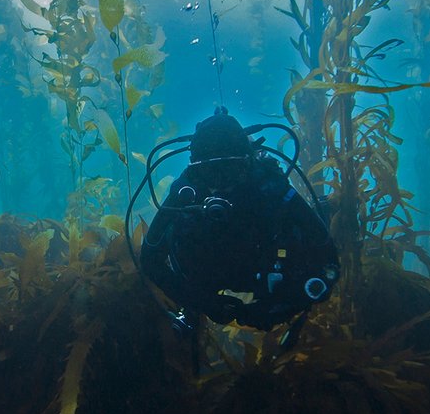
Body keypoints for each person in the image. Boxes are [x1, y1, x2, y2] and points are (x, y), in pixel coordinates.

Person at [132, 107, 339, 335]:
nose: (221, 182)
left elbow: (328, 265)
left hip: (263, 278)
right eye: (211, 172)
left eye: (230, 169)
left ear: (247, 163)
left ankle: (330, 209)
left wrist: (278, 308)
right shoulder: (187, 191)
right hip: (208, 278)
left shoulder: (269, 187)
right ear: (196, 170)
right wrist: (201, 303)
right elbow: (151, 260)